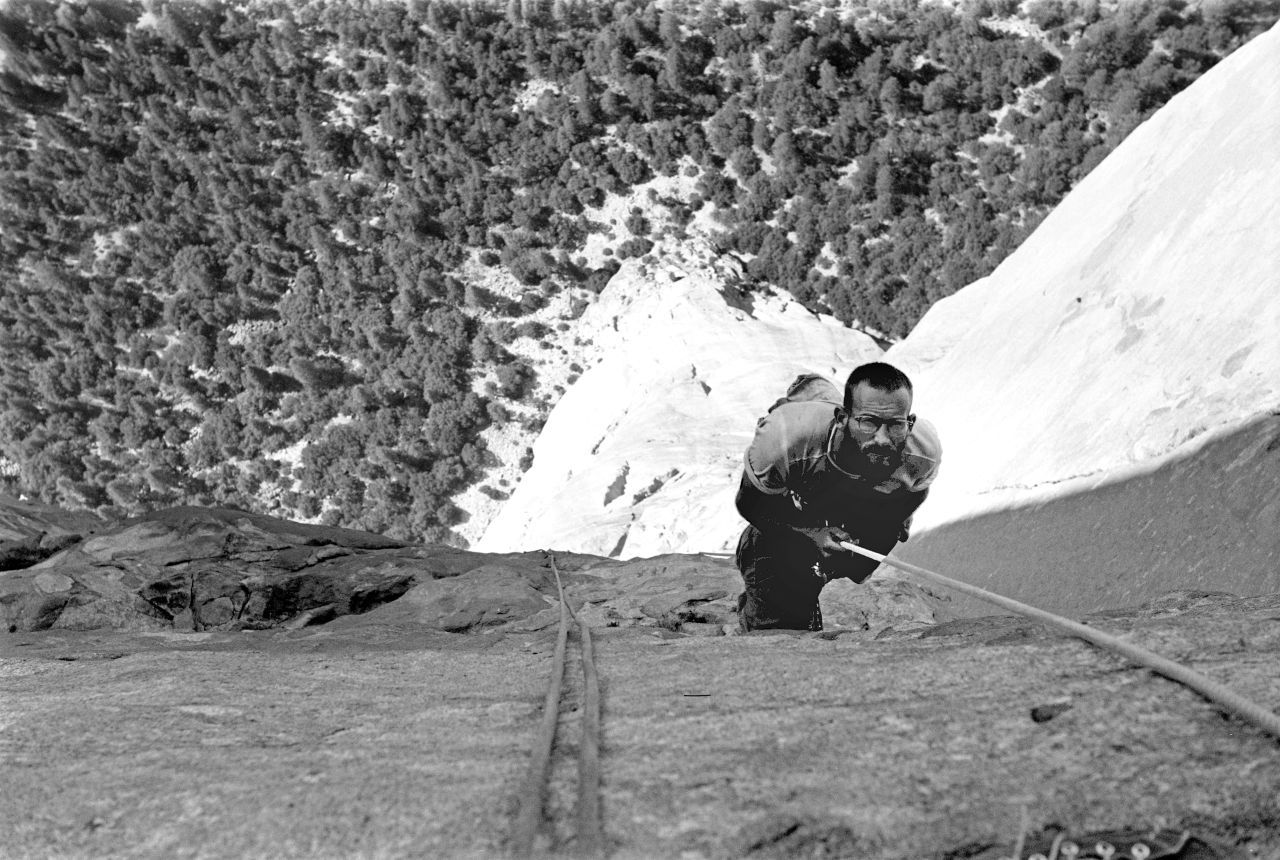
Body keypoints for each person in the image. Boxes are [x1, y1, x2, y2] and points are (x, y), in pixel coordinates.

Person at [734, 362, 942, 631]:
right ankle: (810, 387)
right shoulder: (787, 439)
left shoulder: (921, 453)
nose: (882, 438)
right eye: (869, 422)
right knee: (772, 559)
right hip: (807, 448)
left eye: (895, 425)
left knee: (857, 563)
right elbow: (750, 503)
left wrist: (878, 531)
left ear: (909, 423)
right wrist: (810, 533)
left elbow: (913, 495)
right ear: (842, 418)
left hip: (845, 485)